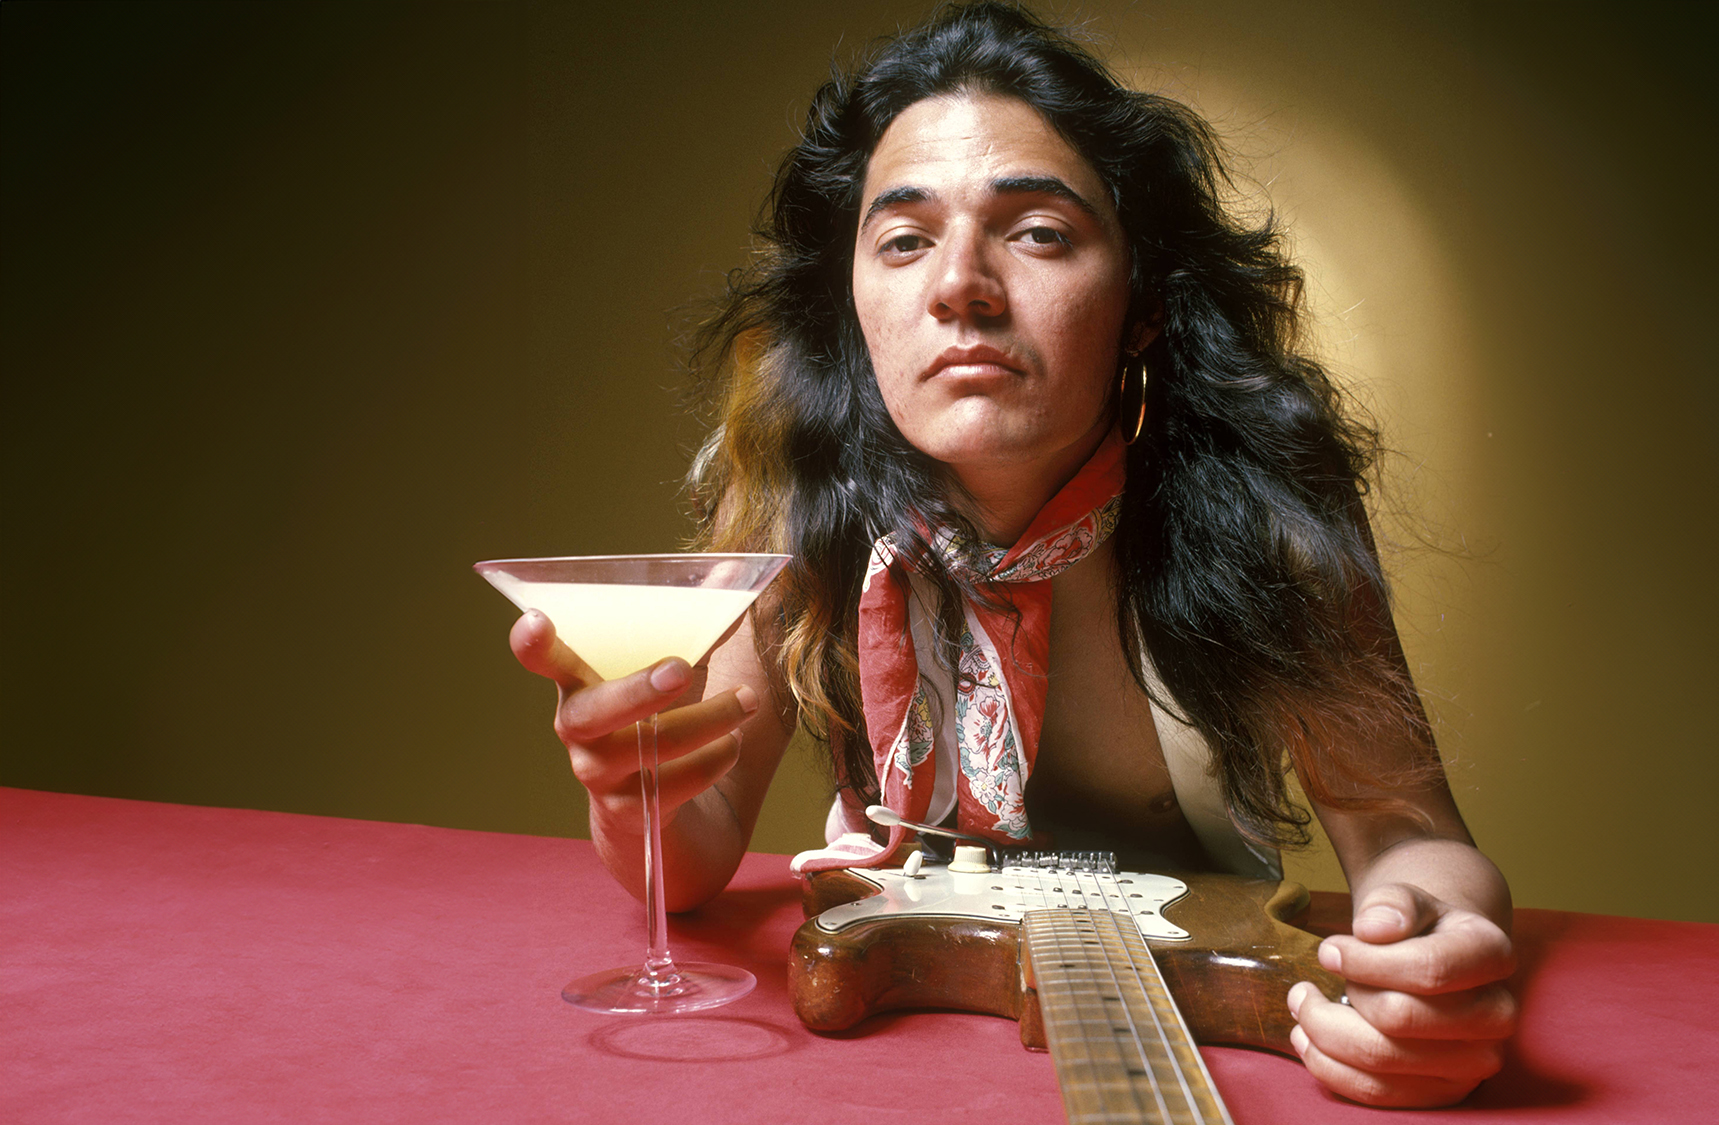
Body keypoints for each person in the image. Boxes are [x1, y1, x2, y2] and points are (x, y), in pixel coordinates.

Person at [506, 2, 1515, 1108]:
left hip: (1200, 1005)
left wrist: (1425, 947)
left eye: (1036, 232)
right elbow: (690, 860)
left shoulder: (1263, 520)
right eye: (903, 240)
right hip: (887, 1056)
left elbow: (1408, 834)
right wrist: (630, 792)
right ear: (853, 306)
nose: (958, 287)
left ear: (1140, 307)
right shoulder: (797, 513)